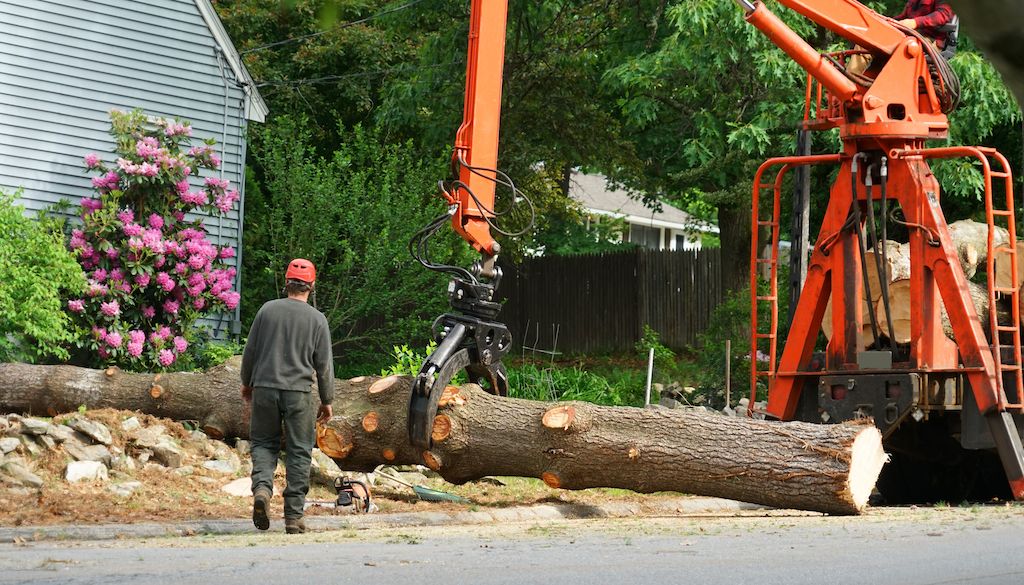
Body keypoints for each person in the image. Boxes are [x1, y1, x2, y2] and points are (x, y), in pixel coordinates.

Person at [241, 258, 334, 534]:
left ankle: (262, 491)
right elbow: (324, 365)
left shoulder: (266, 311)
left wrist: (247, 383)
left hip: (265, 389)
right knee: (299, 451)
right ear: (312, 286)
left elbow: (250, 352)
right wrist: (327, 400)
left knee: (263, 444)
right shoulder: (317, 320)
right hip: (299, 394)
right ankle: (293, 517)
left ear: (286, 283)